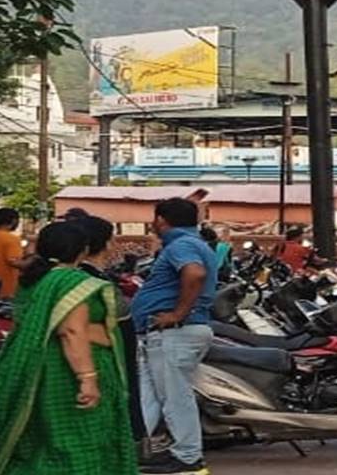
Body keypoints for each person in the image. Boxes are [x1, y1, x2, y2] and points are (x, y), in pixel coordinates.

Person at [0, 221, 137, 475]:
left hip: (38, 372)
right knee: (78, 441)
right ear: (83, 250)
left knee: (44, 441)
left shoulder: (35, 279)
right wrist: (87, 379)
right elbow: (71, 330)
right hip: (67, 373)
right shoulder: (74, 282)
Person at [131, 198, 217, 474]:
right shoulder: (191, 243)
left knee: (175, 396)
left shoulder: (182, 245)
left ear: (161, 220)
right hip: (162, 332)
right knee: (151, 396)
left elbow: (195, 273)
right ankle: (136, 449)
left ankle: (188, 456)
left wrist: (177, 314)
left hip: (176, 331)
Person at [73, 214, 146, 443]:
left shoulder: (76, 278)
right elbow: (75, 329)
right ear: (104, 244)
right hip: (100, 363)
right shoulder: (91, 283)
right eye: (112, 239)